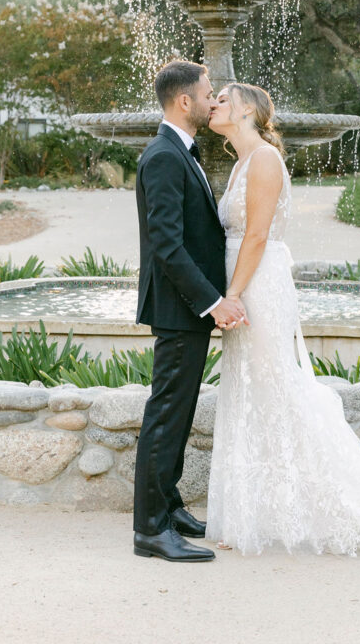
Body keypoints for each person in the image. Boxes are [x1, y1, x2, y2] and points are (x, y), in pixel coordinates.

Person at [206, 81, 360, 556]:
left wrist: (234, 295)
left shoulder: (264, 159)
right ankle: (257, 514)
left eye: (223, 99)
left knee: (276, 387)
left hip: (258, 286)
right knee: (251, 391)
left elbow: (259, 235)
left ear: (245, 110)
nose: (214, 104)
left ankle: (342, 505)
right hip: (244, 283)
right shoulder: (241, 162)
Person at [132, 59, 248, 563]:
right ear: (185, 101)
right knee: (166, 415)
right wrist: (213, 301)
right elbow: (167, 245)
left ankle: (170, 506)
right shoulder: (162, 156)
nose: (211, 101)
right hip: (181, 309)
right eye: (206, 94)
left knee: (176, 415)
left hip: (187, 310)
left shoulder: (179, 152)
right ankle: (151, 531)